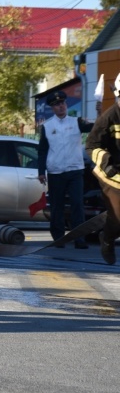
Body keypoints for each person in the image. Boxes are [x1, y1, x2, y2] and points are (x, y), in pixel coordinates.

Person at [37, 90, 95, 249]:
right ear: (52, 108)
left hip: (75, 170)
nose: (61, 106)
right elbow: (42, 151)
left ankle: (79, 238)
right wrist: (41, 171)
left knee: (77, 204)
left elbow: (93, 127)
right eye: (57, 105)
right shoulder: (48, 126)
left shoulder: (76, 121)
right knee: (57, 206)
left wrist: (100, 114)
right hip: (56, 172)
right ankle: (58, 238)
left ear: (65, 104)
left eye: (62, 103)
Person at [85, 78, 120, 265]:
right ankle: (106, 239)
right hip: (112, 176)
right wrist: (107, 162)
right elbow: (91, 145)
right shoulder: (109, 117)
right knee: (118, 218)